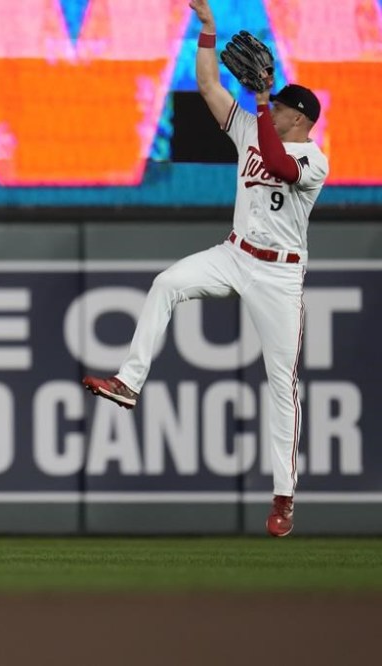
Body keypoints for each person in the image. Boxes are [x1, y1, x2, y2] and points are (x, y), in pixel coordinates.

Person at [83, 0, 328, 537]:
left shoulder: (315, 158)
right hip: (235, 253)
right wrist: (208, 34)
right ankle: (129, 382)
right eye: (277, 103)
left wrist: (263, 100)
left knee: (281, 385)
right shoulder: (253, 126)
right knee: (166, 283)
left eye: (286, 106)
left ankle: (283, 497)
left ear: (301, 118)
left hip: (280, 276)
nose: (278, 107)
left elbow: (280, 163)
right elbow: (208, 87)